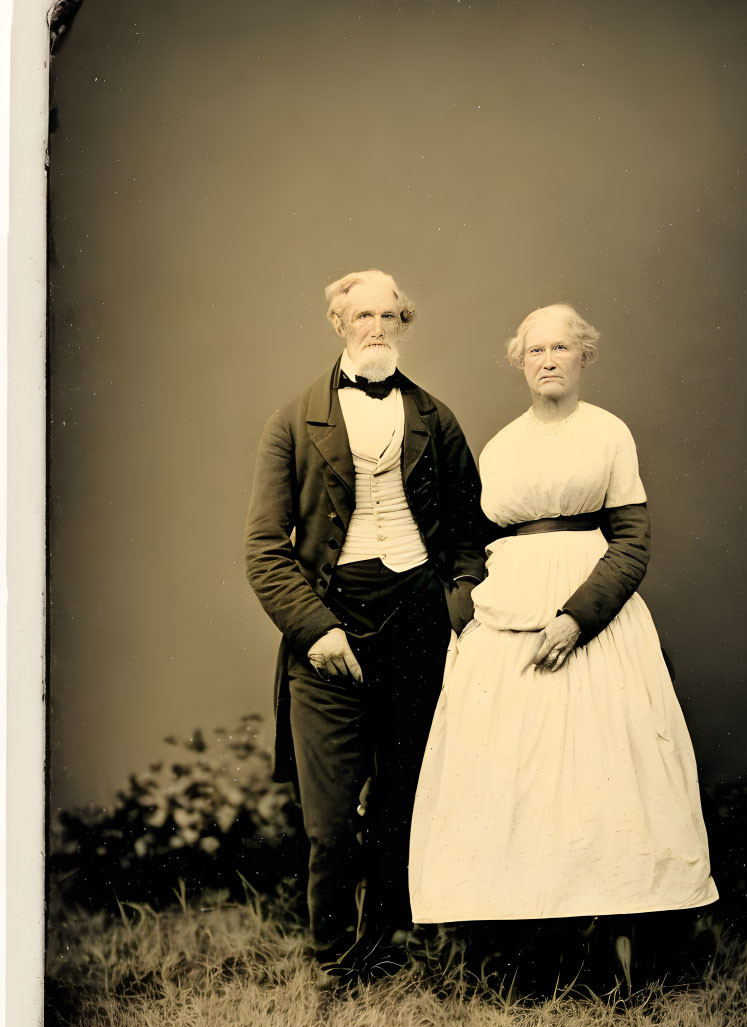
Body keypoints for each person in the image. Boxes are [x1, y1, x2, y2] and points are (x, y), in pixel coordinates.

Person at [409, 303, 717, 961]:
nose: (547, 361)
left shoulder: (608, 434)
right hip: (502, 626)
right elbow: (468, 541)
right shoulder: (500, 445)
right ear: (520, 361)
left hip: (593, 623)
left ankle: (611, 954)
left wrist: (577, 617)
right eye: (535, 351)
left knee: (599, 773)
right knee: (507, 774)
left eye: (560, 349)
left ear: (583, 357)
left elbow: (631, 542)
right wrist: (465, 609)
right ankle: (519, 954)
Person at [244, 269, 487, 982]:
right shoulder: (292, 421)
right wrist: (314, 628)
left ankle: (380, 948)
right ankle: (330, 959)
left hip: (416, 624)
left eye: (389, 315)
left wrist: (455, 605)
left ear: (404, 323)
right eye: (362, 316)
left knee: (400, 802)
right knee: (329, 823)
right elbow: (264, 547)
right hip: (328, 631)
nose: (375, 327)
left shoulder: (436, 419)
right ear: (336, 321)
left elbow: (471, 533)